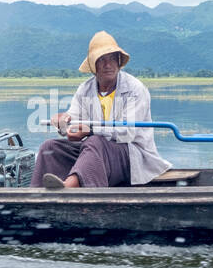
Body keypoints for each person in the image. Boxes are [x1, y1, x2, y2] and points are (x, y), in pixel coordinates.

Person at [31, 31, 172, 189]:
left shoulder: (135, 89)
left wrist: (90, 131)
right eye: (102, 60)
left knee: (95, 141)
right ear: (93, 65)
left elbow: (127, 133)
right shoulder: (85, 89)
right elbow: (73, 119)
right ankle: (35, 196)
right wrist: (62, 121)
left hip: (131, 155)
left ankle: (69, 187)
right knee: (49, 147)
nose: (108, 65)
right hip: (96, 152)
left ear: (119, 62)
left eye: (112, 58)